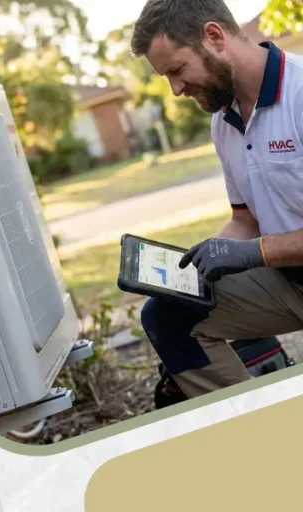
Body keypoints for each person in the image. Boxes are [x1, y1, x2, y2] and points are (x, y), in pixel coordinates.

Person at [130, 0, 303, 398]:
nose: (175, 90)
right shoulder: (222, 121)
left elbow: (255, 246)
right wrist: (197, 264)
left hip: (281, 265)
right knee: (169, 316)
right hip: (290, 282)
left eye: (176, 70)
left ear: (214, 37)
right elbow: (245, 220)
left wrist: (255, 252)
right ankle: (250, 424)